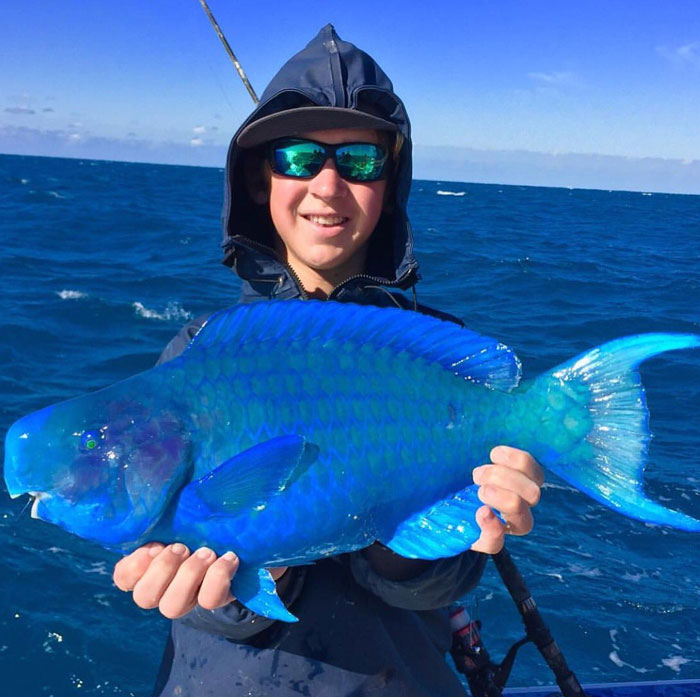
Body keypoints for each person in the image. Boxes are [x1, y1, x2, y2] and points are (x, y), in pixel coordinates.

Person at [113, 25, 544, 697]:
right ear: (260, 179)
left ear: (389, 184)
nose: (328, 184)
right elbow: (197, 591)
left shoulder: (436, 359)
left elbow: (443, 579)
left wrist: (430, 532)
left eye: (360, 162)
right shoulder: (194, 356)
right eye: (298, 156)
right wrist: (235, 577)